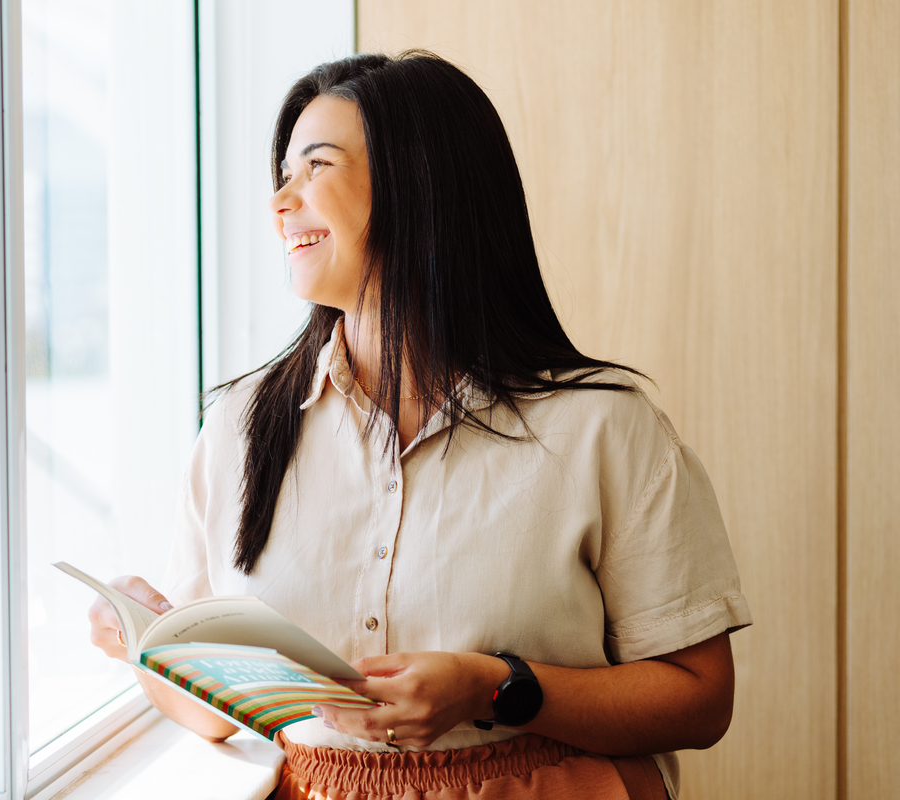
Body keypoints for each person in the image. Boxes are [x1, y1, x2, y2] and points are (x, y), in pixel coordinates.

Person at [88, 51, 751, 800]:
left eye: (315, 168)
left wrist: (497, 688)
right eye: (282, 174)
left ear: (420, 188)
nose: (280, 202)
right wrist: (145, 645)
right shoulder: (239, 427)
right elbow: (220, 717)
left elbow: (701, 696)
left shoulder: (604, 427)